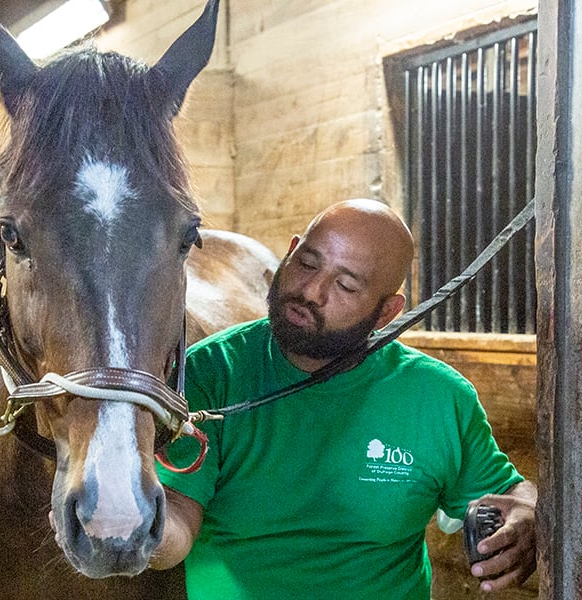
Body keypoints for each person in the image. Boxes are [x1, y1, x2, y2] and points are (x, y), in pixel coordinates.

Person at [151, 199, 537, 599]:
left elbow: (507, 492)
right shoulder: (210, 373)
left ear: (387, 312)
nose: (311, 291)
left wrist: (530, 511)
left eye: (346, 285)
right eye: (307, 263)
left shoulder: (439, 397)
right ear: (291, 250)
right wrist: (136, 527)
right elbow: (177, 517)